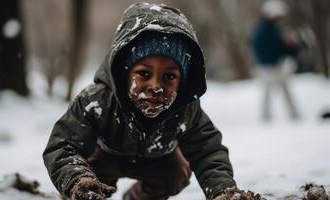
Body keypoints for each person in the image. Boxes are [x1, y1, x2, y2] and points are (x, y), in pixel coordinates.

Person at [43, 3, 236, 200]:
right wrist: (77, 179)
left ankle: (138, 197)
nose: (156, 86)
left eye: (169, 77)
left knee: (176, 174)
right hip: (104, 157)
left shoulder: (186, 109)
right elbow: (62, 146)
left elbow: (208, 151)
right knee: (84, 185)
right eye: (144, 74)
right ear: (125, 73)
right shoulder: (97, 102)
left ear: (182, 82)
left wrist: (223, 191)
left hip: (157, 160)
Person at [251, 0, 300, 121]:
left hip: (278, 66)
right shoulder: (262, 31)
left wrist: (291, 45)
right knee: (267, 93)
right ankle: (266, 117)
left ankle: (294, 115)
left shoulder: (276, 29)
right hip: (267, 68)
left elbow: (284, 49)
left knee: (286, 91)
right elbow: (262, 49)